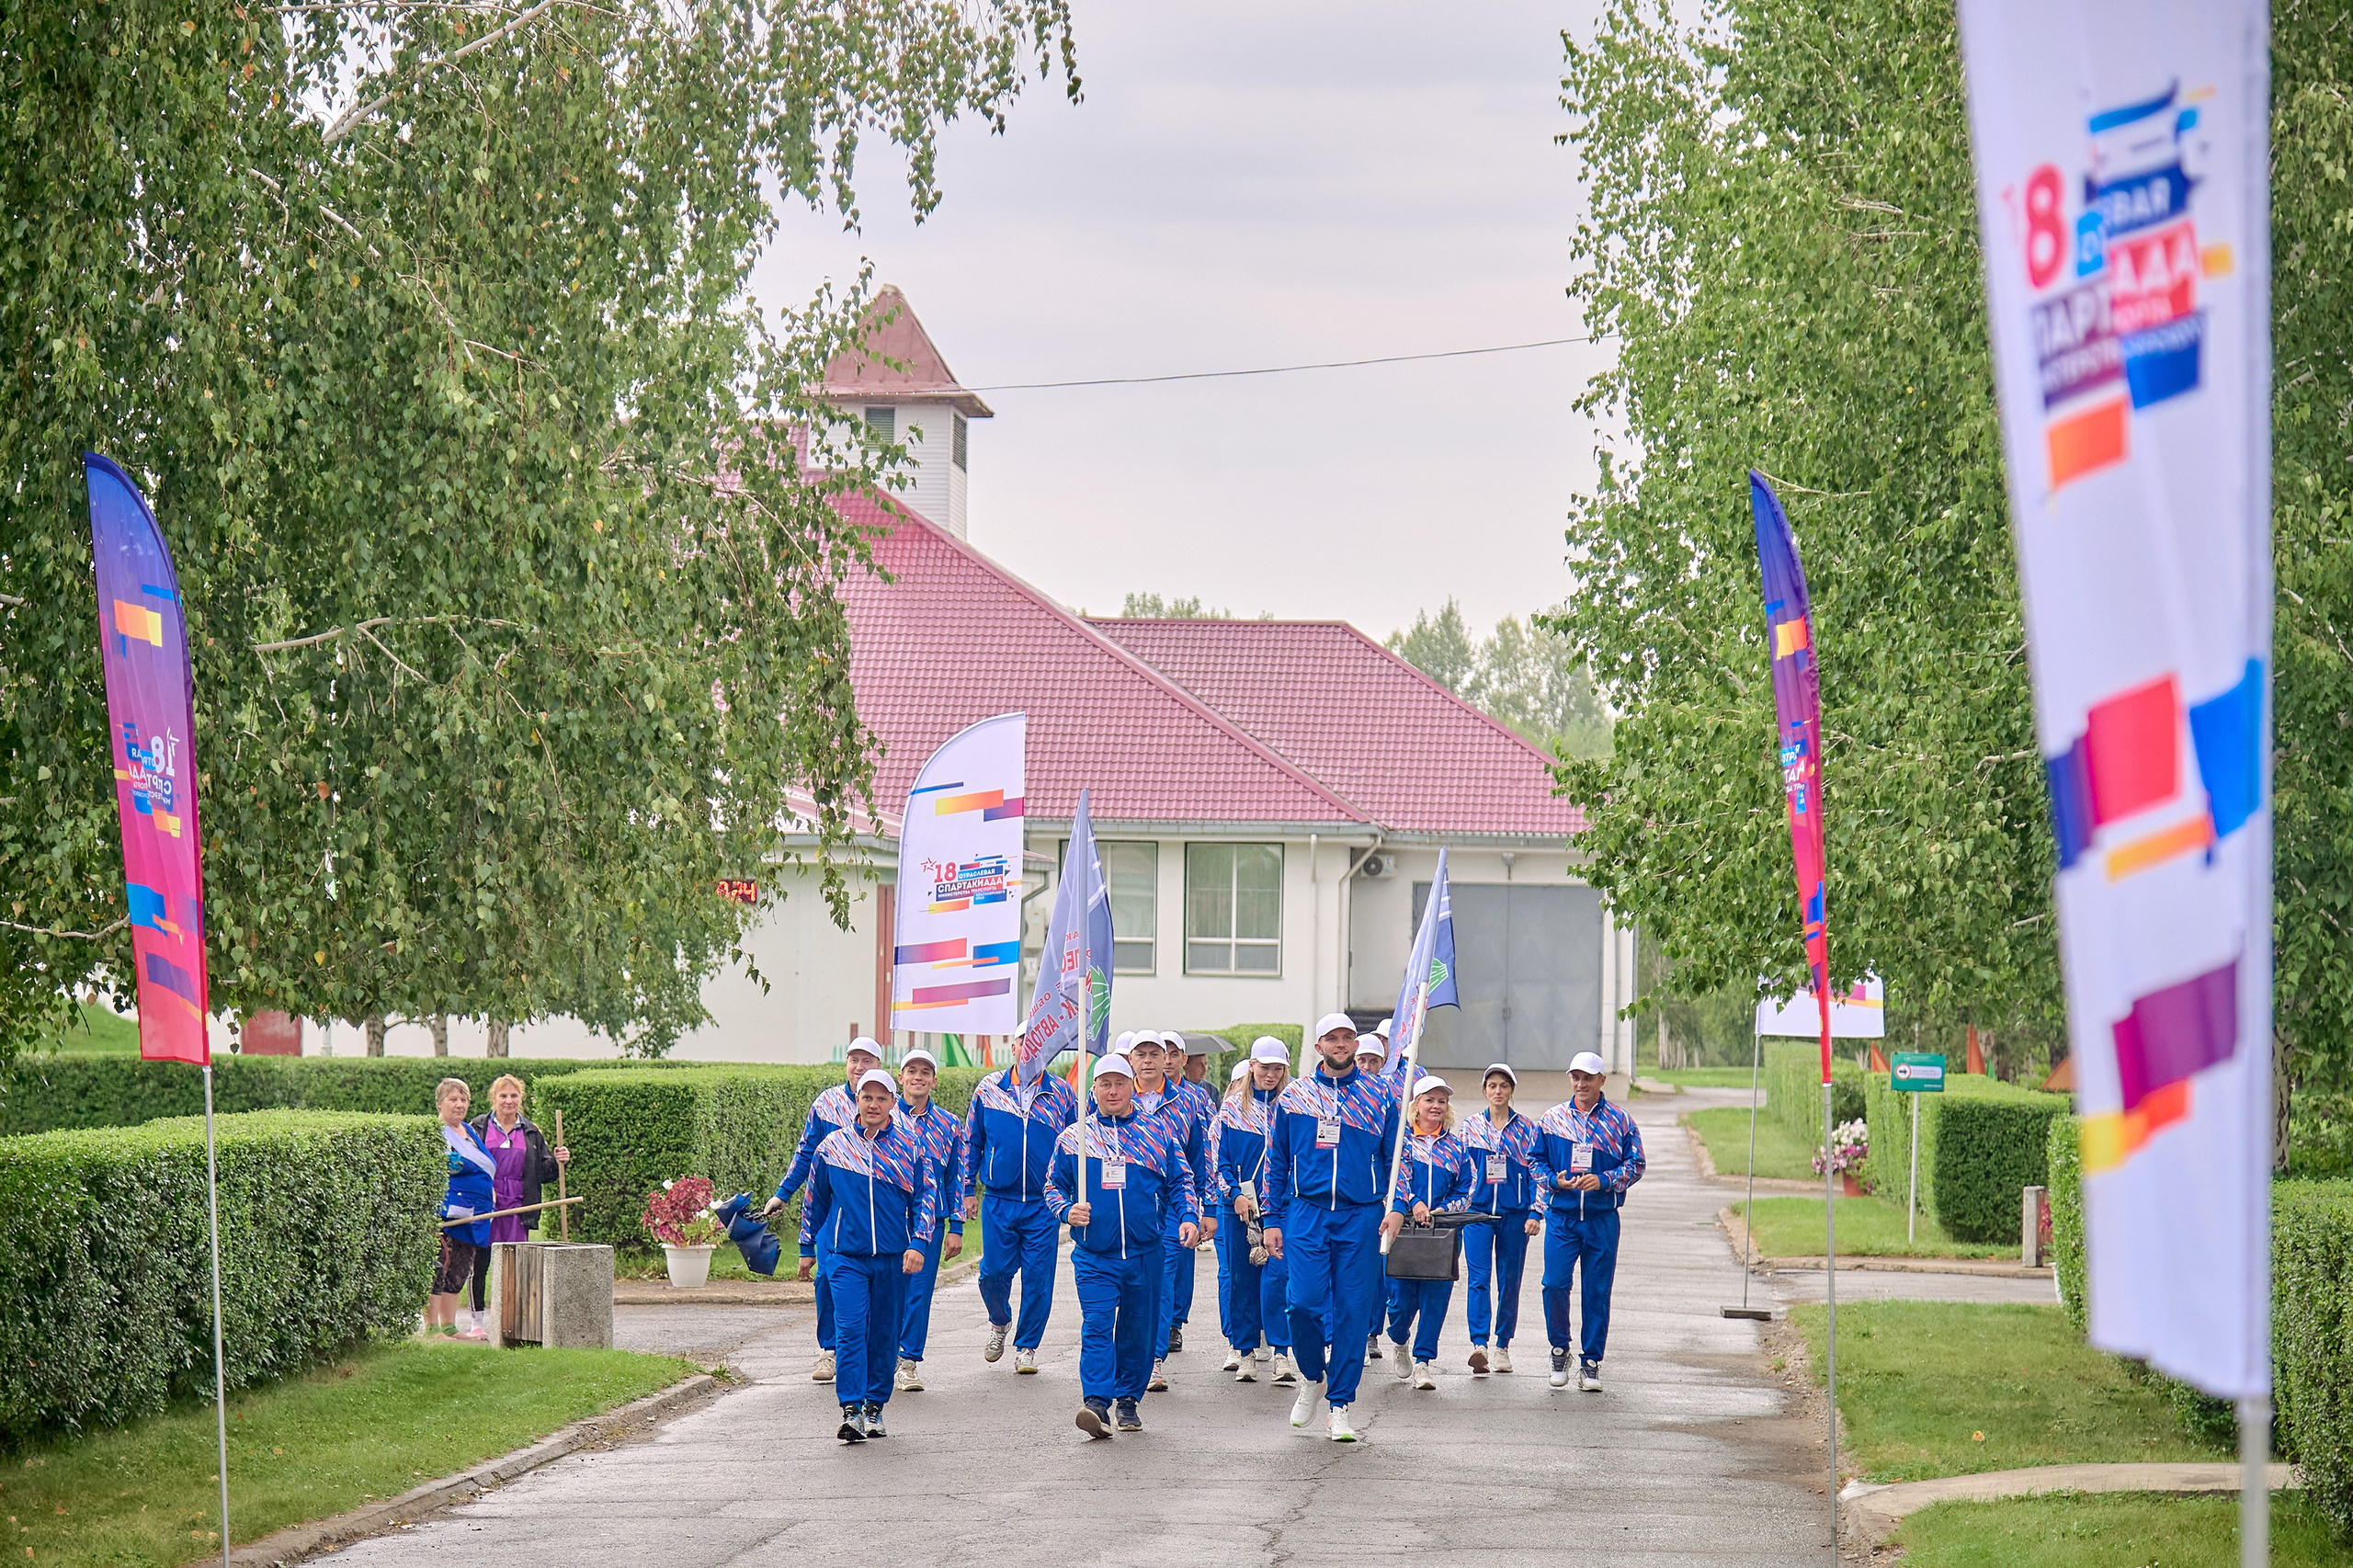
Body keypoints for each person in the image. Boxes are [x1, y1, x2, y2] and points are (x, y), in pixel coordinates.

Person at [1046, 1055, 1200, 1437]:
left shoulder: (1158, 1133)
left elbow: (1181, 1181)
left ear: (1132, 1086)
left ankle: (1128, 1399)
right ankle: (1096, 1403)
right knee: (1097, 1325)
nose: (1112, 1091)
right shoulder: (1075, 1138)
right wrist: (1066, 1211)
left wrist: (1188, 1216)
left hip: (1145, 1253)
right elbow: (1052, 1186)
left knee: (1138, 1329)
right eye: (1105, 1084)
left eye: (1119, 1084)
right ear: (1094, 1089)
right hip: (1095, 1255)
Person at [1262, 1013, 1399, 1442]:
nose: (1341, 1044)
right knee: (1302, 1303)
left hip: (1362, 1215)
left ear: (1356, 1045)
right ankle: (1311, 1376)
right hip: (1308, 1212)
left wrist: (1397, 1206)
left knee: (1354, 1312)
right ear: (1319, 1046)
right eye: (1332, 1038)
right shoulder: (1295, 1097)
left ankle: (1340, 1404)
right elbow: (1276, 1161)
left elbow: (1398, 1159)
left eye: (1347, 1038)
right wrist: (1272, 1218)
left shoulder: (1381, 1095)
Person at [801, 1068, 934, 1442]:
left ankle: (874, 1406)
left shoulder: (911, 1146)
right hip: (846, 1257)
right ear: (856, 1101)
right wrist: (806, 1247)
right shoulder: (833, 1147)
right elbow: (815, 1200)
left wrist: (918, 1243)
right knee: (850, 1328)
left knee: (884, 1334)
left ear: (893, 1102)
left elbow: (926, 1197)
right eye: (866, 1097)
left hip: (893, 1258)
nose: (873, 1105)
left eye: (881, 1098)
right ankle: (851, 1409)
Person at [767, 1037, 885, 1383]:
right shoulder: (826, 1103)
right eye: (854, 1060)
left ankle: (875, 1350)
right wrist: (783, 1194)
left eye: (867, 1060)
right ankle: (829, 1350)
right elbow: (806, 1152)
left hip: (875, 1209)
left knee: (878, 1281)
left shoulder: (887, 1103)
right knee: (826, 1278)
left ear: (879, 1065)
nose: (859, 1067)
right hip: (832, 1208)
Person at [1531, 1051, 1646, 1392]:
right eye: (1576, 1077)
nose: (1581, 1084)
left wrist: (1605, 1180)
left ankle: (1591, 1362)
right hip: (1562, 1217)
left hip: (1601, 1219)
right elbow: (1534, 1161)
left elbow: (1636, 1164)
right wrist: (1554, 1180)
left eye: (1588, 1078)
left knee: (1596, 1291)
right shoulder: (1552, 1119)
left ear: (1602, 1080)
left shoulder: (1620, 1121)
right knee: (1554, 1284)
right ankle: (1559, 1349)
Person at [962, 1043, 1080, 1375]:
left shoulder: (1061, 1093)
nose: (1030, 1049)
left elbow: (1075, 1144)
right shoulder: (989, 1089)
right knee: (993, 1273)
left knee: (1038, 1278)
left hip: (1044, 1203)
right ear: (1013, 1047)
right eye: (1023, 1043)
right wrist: (967, 1189)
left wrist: (1073, 1194)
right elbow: (972, 1141)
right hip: (999, 1199)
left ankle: (1027, 1346)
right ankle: (999, 1320)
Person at [1128, 1029, 1213, 1392]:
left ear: (1167, 1058)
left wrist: (1205, 1208)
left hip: (1173, 1207)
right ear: (1131, 1059)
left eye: (1155, 1054)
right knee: (1129, 1285)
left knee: (1161, 1284)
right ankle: (1127, 1354)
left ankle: (1154, 1359)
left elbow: (1201, 1157)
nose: (1148, 1061)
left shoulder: (1188, 1101)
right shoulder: (1117, 1094)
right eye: (1141, 1054)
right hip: (1128, 1206)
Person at [1211, 1040, 1296, 1385]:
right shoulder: (1233, 1107)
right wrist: (1233, 1195)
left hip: (1281, 1207)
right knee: (1241, 1280)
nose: (1270, 1075)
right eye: (1265, 1067)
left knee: (1279, 1279)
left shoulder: (1293, 1106)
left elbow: (1300, 1157)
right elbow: (1218, 1161)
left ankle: (1280, 1352)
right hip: (1240, 1208)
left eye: (1277, 1069)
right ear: (1252, 1067)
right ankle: (1245, 1351)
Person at [1381, 1074, 1474, 1389]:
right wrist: (1415, 1202)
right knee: (1399, 1301)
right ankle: (1399, 1340)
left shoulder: (1456, 1146)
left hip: (1443, 1233)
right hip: (1404, 1229)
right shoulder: (1401, 1141)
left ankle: (1423, 1362)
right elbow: (1394, 1177)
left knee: (1436, 1298)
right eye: (1429, 1100)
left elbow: (1468, 1186)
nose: (1436, 1106)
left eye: (1441, 1101)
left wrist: (1444, 1209)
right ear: (1416, 1104)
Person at [1456, 1062, 1540, 1374]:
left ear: (1512, 1090)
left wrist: (1535, 1211)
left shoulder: (1527, 1129)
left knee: (1509, 1281)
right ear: (1484, 1090)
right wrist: (1458, 1206)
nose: (1498, 1091)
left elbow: (1537, 1174)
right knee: (1478, 1279)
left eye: (1504, 1085)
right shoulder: (1471, 1126)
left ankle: (1503, 1345)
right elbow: (1460, 1170)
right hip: (1477, 1213)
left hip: (1514, 1216)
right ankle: (1479, 1344)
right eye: (1492, 1085)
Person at [893, 1049, 969, 1392]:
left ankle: (908, 1362)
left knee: (918, 1293)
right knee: (887, 1290)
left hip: (930, 1223)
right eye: (912, 1071)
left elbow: (957, 1177)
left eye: (925, 1072)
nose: (918, 1077)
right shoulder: (883, 1116)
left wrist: (957, 1226)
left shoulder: (949, 1124)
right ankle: (884, 1356)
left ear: (934, 1081)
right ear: (900, 1077)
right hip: (889, 1219)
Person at [1159, 1032, 1219, 1358]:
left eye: (1174, 1054)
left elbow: (1206, 1150)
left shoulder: (1197, 1098)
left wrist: (1207, 1203)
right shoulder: (1135, 1096)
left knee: (1181, 1260)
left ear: (1184, 1059)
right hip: (1147, 1193)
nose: (1167, 1060)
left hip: (1183, 1191)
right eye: (1163, 1054)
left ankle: (1174, 1322)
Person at [470, 1074, 571, 1250]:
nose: (509, 1101)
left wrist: (558, 1161)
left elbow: (544, 1174)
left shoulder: (531, 1132)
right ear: (494, 1098)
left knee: (515, 1257)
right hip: (486, 1204)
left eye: (514, 1096)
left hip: (519, 1208)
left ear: (520, 1098)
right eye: (503, 1096)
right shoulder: (478, 1128)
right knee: (482, 1257)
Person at [428, 1077, 496, 1340]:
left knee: (460, 1269)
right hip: (448, 1214)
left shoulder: (468, 1130)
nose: (459, 1105)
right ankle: (432, 1329)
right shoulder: (436, 1133)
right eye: (453, 1099)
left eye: (464, 1100)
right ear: (440, 1103)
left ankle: (450, 1326)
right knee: (439, 1267)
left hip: (474, 1215)